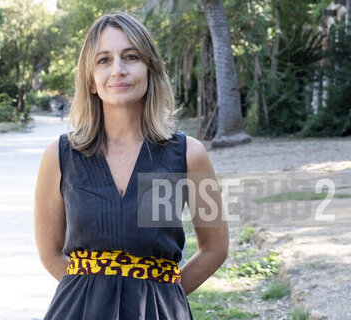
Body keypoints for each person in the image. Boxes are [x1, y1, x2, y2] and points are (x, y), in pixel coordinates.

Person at [34, 11, 228, 319]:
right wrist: (96, 299)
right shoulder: (59, 156)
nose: (118, 70)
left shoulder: (191, 155)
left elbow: (215, 248)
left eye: (131, 56)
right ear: (92, 81)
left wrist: (165, 296)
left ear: (150, 69)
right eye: (104, 60)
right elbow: (50, 253)